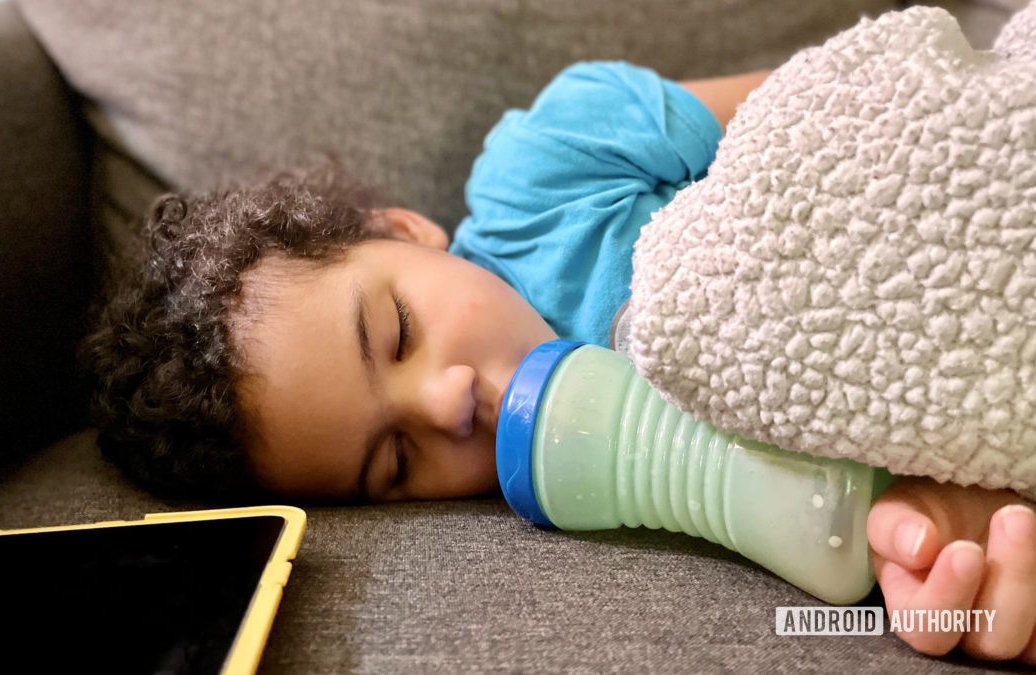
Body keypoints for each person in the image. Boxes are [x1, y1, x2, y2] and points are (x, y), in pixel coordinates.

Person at [81, 61, 1036, 663]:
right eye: (395, 461)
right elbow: (827, 559)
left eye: (399, 332)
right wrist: (934, 537)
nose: (448, 402)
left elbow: (842, 98)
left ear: (403, 230)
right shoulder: (581, 491)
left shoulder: (540, 173)